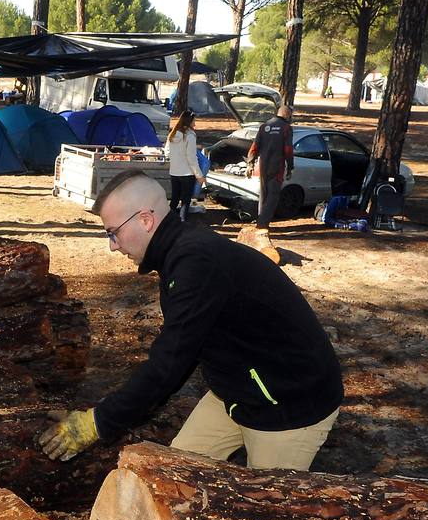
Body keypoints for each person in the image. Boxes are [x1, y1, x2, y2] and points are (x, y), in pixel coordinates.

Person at [38, 170, 343, 470]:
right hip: (239, 389)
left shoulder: (195, 263)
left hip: (289, 403)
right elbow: (182, 351)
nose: (112, 245)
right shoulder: (178, 255)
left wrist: (97, 423)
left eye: (113, 232)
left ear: (145, 220)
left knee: (260, 509)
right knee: (175, 477)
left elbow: (169, 363)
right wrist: (103, 416)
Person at [246, 104, 294, 237]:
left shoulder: (264, 126)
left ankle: (261, 222)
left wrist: (250, 163)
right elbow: (288, 150)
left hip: (263, 166)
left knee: (264, 195)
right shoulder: (286, 128)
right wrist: (290, 166)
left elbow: (254, 146)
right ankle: (262, 225)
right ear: (287, 115)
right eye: (290, 115)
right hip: (277, 166)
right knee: (273, 196)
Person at [164, 110, 205, 221]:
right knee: (185, 201)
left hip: (174, 172)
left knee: (174, 199)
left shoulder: (172, 134)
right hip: (187, 173)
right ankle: (183, 223)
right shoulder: (190, 136)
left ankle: (169, 222)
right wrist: (199, 175)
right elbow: (191, 158)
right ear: (189, 121)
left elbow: (167, 152)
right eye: (194, 121)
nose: (195, 124)